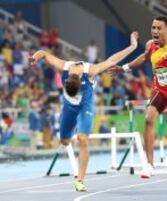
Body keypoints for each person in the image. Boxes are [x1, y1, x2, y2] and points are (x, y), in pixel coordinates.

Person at [29, 32, 139, 192]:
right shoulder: (64, 67)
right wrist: (35, 57)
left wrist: (133, 46)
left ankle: (80, 180)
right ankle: (69, 136)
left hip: (84, 109)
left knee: (82, 139)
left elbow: (112, 60)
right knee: (65, 141)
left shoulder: (92, 70)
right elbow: (44, 54)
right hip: (68, 108)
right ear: (66, 81)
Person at [108, 16, 167, 178]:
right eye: (153, 28)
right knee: (149, 117)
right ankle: (149, 165)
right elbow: (144, 58)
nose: (155, 31)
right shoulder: (150, 46)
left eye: (159, 28)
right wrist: (123, 68)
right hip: (159, 90)